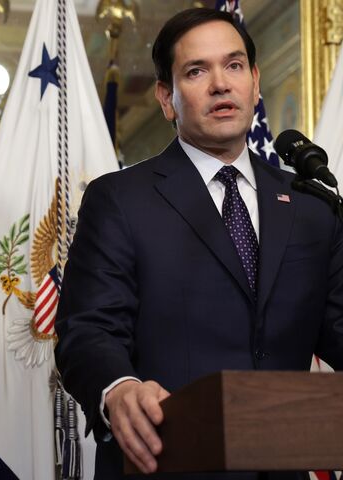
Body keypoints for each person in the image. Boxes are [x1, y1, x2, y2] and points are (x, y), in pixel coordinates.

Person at [55, 7, 343, 480]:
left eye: (233, 66)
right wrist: (119, 387)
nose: (220, 84)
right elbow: (89, 331)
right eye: (196, 71)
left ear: (254, 82)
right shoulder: (120, 200)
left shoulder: (312, 207)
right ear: (166, 99)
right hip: (166, 463)